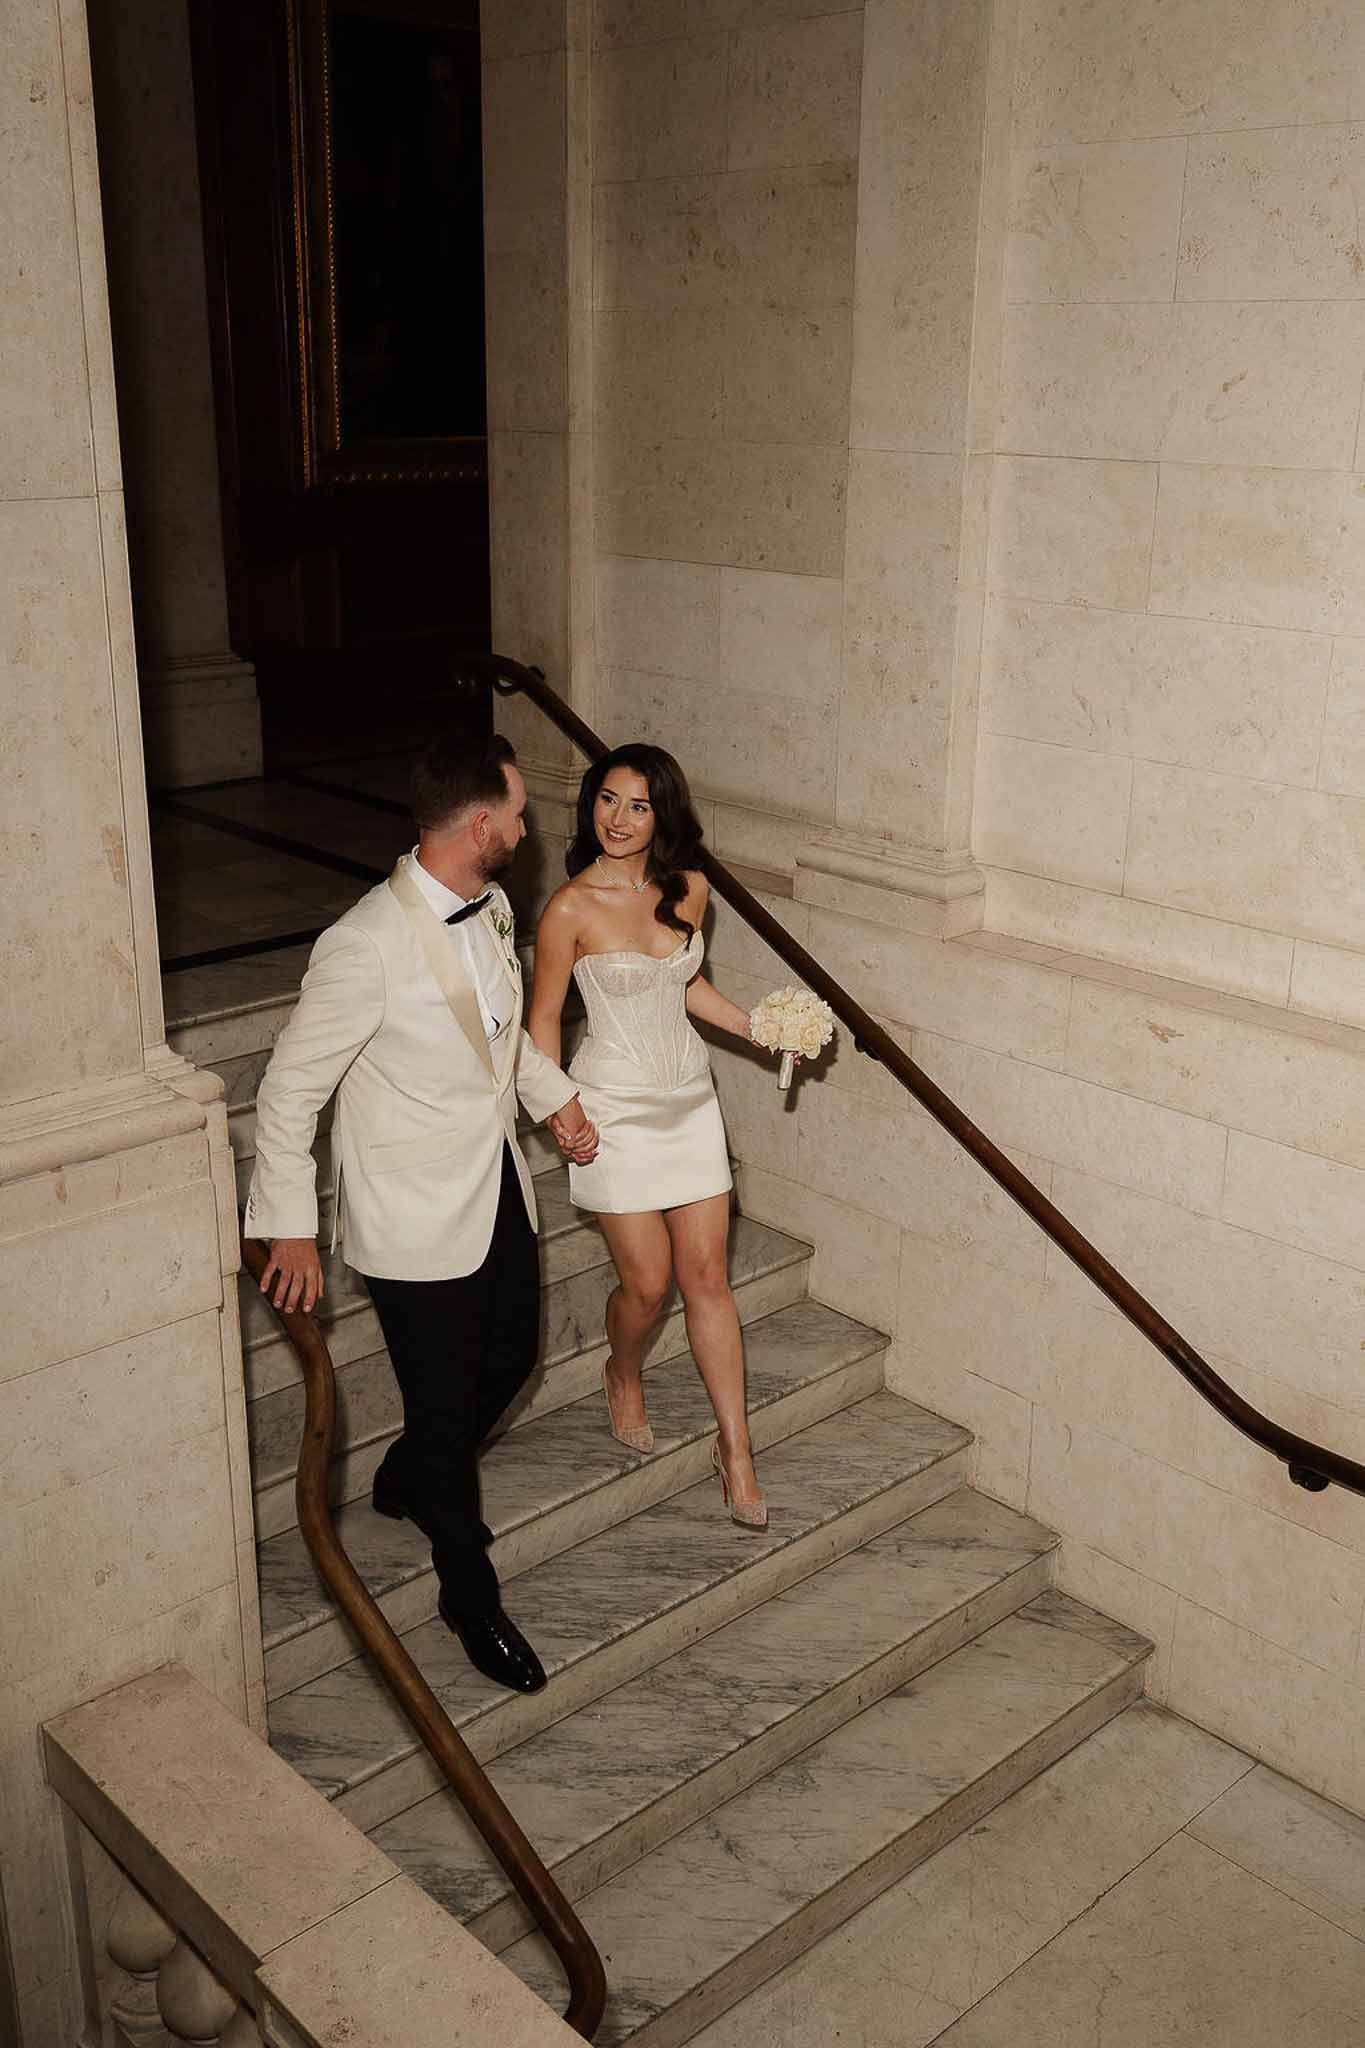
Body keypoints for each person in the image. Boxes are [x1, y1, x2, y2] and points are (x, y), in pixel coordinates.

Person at [243, 732, 599, 1695]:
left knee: (512, 1358)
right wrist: (288, 1228)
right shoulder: (363, 945)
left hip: (494, 1185)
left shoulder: (491, 907)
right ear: (480, 826)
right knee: (444, 1412)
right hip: (409, 1217)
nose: (526, 829)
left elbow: (498, 1041)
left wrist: (554, 1098)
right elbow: (287, 1093)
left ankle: (405, 1477)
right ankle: (468, 1597)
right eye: (517, 815)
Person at [527, 744, 775, 1527]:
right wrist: (558, 1107)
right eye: (607, 799)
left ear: (662, 814)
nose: (618, 818)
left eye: (637, 805)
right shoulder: (568, 908)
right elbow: (542, 1020)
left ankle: (735, 1449)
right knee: (646, 1284)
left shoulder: (689, 888)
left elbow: (683, 984)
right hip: (613, 1109)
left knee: (707, 1279)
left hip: (689, 1101)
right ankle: (622, 1369)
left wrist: (762, 1028)